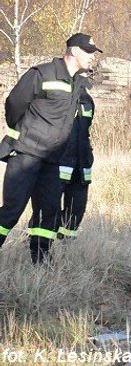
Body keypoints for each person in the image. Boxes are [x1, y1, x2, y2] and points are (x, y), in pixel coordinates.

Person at [0, 33, 101, 263]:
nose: (92, 58)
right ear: (74, 51)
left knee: (48, 214)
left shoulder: (79, 84)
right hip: (26, 156)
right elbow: (14, 105)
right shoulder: (42, 73)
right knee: (12, 211)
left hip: (53, 160)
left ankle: (41, 263)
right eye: (88, 52)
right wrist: (28, 134)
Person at [45, 72, 95, 247]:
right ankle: (41, 246)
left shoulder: (87, 101)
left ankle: (66, 247)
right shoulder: (56, 99)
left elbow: (85, 131)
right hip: (59, 163)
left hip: (81, 165)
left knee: (77, 209)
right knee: (49, 208)